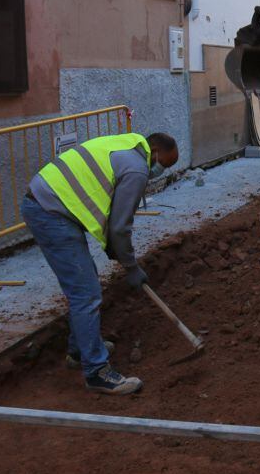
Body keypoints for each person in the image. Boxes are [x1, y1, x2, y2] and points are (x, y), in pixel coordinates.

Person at [21, 131, 180, 395]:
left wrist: (115, 250)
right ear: (154, 151)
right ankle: (96, 372)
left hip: (48, 203)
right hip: (50, 211)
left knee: (85, 285)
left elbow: (110, 218)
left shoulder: (128, 144)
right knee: (85, 293)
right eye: (165, 163)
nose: (162, 170)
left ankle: (79, 349)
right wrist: (131, 267)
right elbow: (120, 228)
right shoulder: (138, 169)